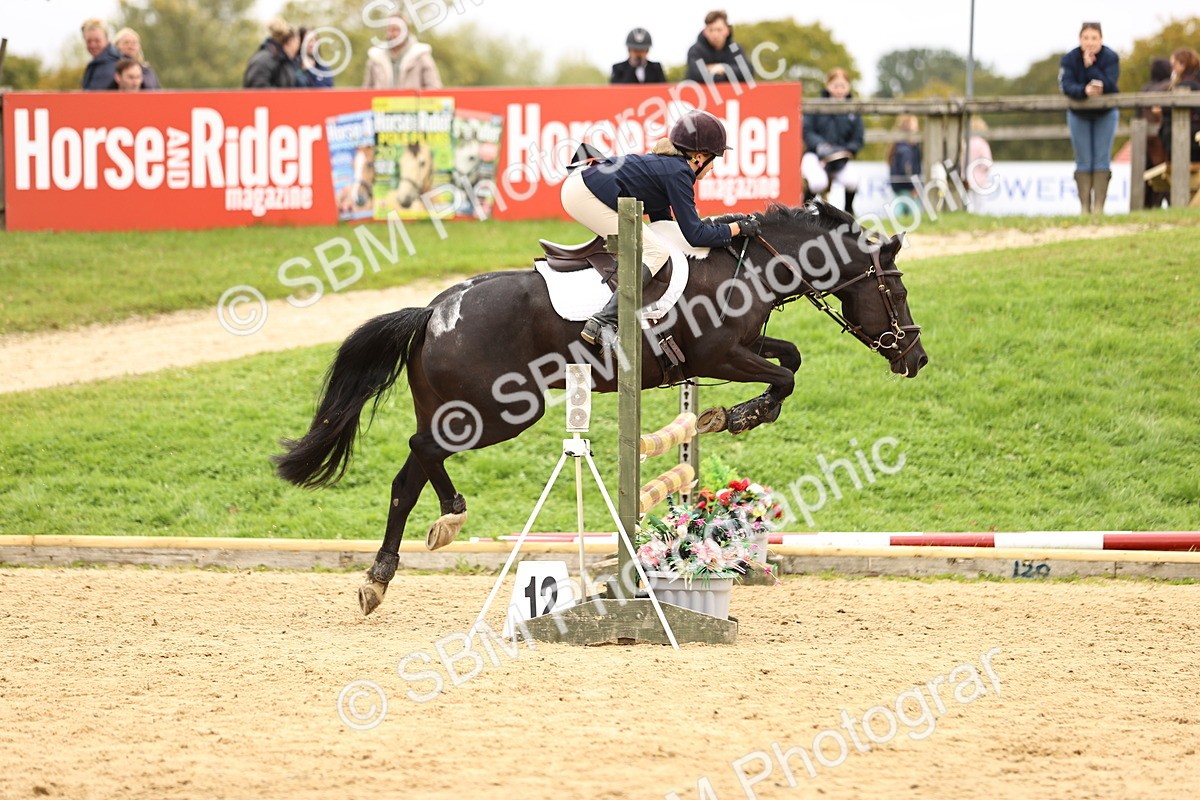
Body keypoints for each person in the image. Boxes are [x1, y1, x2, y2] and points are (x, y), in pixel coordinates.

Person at [560, 109, 758, 346]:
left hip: (582, 186)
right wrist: (737, 229)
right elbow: (695, 235)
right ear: (699, 156)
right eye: (714, 159)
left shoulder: (670, 167)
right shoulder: (679, 172)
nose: (713, 168)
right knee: (655, 252)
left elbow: (663, 225)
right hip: (583, 193)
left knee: (655, 245)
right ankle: (603, 321)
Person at [1058, 21, 1120, 214]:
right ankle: (1085, 207)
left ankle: (1099, 208)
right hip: (1079, 114)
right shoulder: (1069, 59)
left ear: (1101, 39)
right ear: (1080, 39)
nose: (1090, 42)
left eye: (1094, 38)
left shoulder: (1111, 57)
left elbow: (1110, 85)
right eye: (1086, 38)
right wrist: (1083, 91)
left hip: (1105, 114)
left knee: (1102, 159)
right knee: (1083, 160)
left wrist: (1091, 67)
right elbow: (1066, 85)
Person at [801, 67, 864, 213]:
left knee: (852, 180)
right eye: (835, 85)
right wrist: (821, 146)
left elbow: (858, 138)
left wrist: (845, 151)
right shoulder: (815, 105)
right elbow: (807, 131)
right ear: (828, 85)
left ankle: (849, 212)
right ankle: (802, 213)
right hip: (815, 155)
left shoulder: (853, 110)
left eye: (842, 85)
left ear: (848, 86)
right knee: (818, 182)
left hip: (839, 159)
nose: (839, 89)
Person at [363, 15, 442, 89]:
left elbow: (434, 88)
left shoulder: (421, 56)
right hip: (382, 103)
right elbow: (366, 91)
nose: (393, 34)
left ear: (407, 31)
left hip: (413, 103)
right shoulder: (375, 58)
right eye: (390, 30)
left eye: (397, 29)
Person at [684, 10, 754, 85]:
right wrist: (729, 76)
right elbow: (695, 74)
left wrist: (723, 68)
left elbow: (748, 72)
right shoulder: (696, 50)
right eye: (711, 30)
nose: (715, 35)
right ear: (705, 31)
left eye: (719, 30)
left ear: (727, 30)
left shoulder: (734, 49)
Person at [1159, 47, 1200, 165]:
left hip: (1185, 139)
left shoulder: (1185, 85)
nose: (1172, 70)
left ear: (1183, 64)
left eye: (1174, 65)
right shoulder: (1195, 81)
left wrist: (1162, 109)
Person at [243, 18, 301, 88]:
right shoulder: (264, 60)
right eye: (297, 42)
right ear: (290, 41)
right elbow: (257, 89)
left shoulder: (284, 62)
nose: (299, 46)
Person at [886, 115, 922, 199]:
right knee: (914, 211)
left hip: (900, 189)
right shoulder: (905, 150)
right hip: (908, 190)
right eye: (915, 127)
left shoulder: (900, 147)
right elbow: (906, 171)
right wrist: (914, 187)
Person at [80, 19, 121, 91]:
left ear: (107, 39)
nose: (93, 45)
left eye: (97, 40)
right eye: (89, 41)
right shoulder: (96, 63)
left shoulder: (111, 64)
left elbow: (93, 97)